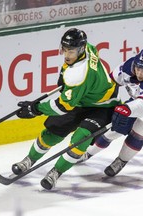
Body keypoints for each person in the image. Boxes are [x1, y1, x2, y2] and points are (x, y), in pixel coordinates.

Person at [12, 28, 120, 190]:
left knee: (80, 140)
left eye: (72, 51)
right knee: (52, 133)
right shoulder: (89, 48)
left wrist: (36, 109)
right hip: (83, 99)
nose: (67, 55)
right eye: (65, 49)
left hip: (104, 107)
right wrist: (63, 76)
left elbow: (63, 106)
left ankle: (56, 172)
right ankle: (29, 160)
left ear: (81, 49)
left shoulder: (79, 73)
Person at [77, 49, 143, 177]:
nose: (139, 73)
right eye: (138, 68)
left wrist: (126, 109)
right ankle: (88, 153)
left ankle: (121, 160)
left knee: (141, 126)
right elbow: (109, 83)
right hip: (138, 100)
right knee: (115, 127)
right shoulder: (127, 68)